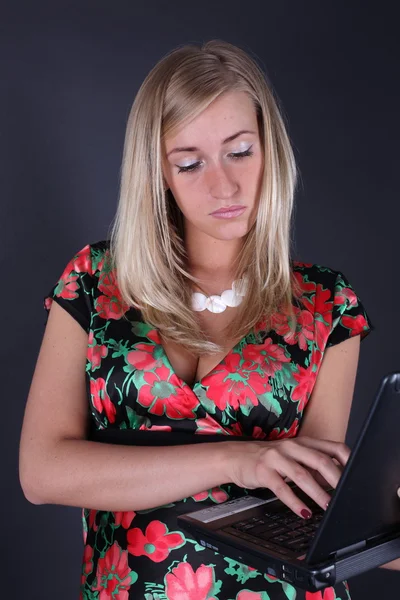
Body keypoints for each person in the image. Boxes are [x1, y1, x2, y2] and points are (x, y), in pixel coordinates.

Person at [19, 39, 376, 600]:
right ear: (158, 173)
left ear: (270, 152)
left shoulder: (326, 302)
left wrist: (379, 517)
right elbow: (42, 472)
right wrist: (237, 457)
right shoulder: (94, 280)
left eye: (240, 151)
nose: (224, 186)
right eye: (190, 163)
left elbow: (313, 503)